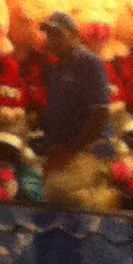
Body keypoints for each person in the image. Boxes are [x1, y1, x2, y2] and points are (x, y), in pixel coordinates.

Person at [39, 10, 114, 177]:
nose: (52, 40)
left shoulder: (88, 62)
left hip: (89, 151)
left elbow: (99, 112)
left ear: (74, 35)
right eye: (49, 35)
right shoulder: (56, 68)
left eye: (57, 34)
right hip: (63, 151)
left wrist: (72, 150)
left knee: (65, 193)